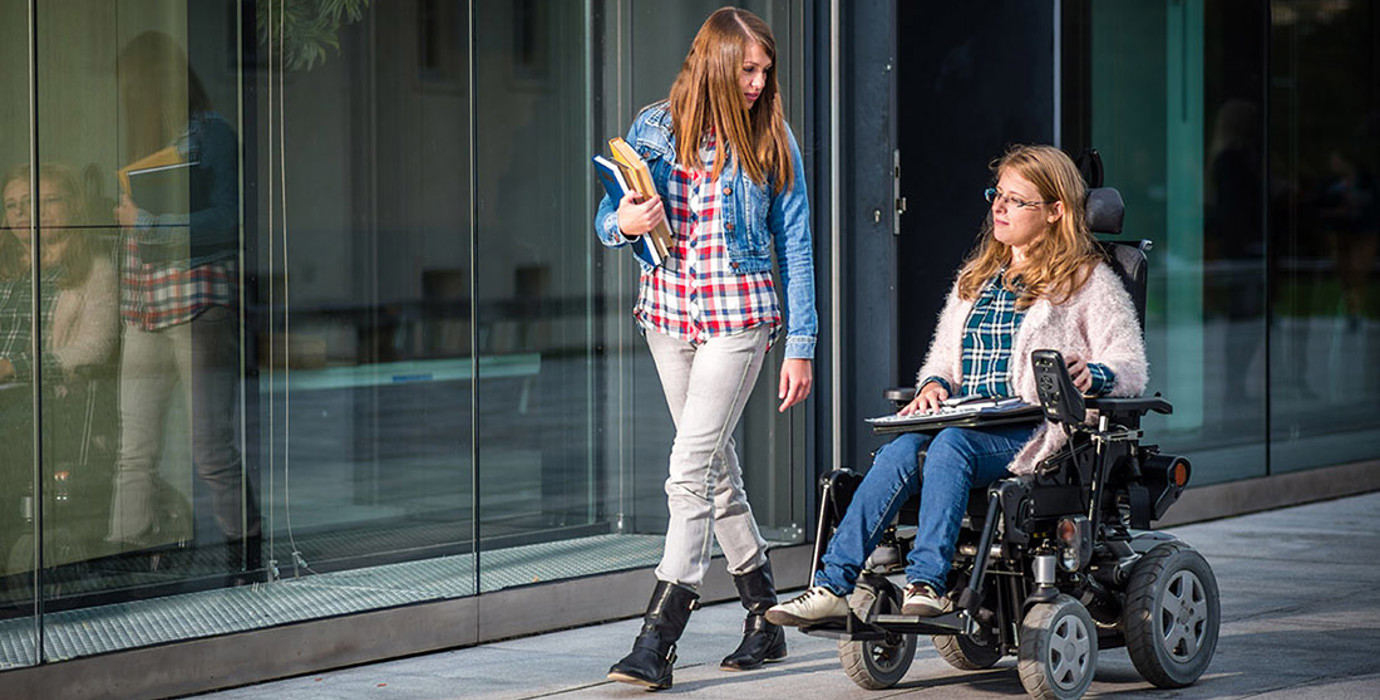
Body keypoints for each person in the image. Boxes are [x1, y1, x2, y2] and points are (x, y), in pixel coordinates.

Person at [766, 144, 1147, 626]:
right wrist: (932, 384)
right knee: (901, 452)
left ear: (1055, 211)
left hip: (1035, 431)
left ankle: (927, 583)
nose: (999, 208)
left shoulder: (1087, 281)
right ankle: (831, 586)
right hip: (969, 418)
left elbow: (1130, 364)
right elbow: (943, 360)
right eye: (997, 195)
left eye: (1016, 200)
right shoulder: (979, 277)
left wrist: (1095, 374)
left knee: (949, 446)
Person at [593, 7, 816, 691]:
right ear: (715, 63)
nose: (758, 82)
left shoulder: (770, 137)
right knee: (716, 473)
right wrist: (625, 220)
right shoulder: (653, 127)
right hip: (667, 317)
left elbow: (796, 244)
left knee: (688, 469)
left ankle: (658, 638)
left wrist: (801, 344)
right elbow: (607, 218)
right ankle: (764, 617)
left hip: (738, 321)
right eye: (747, 69)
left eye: (765, 71)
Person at [106, 31, 259, 581]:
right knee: (133, 450)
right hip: (144, 310)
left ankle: (246, 557)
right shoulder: (142, 141)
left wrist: (147, 222)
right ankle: (123, 562)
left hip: (197, 304)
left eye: (133, 87)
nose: (128, 98)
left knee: (210, 448)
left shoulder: (210, 134)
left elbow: (228, 220)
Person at [0, 163, 119, 561]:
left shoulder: (93, 270)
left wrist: (15, 366)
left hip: (48, 399)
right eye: (12, 205)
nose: (24, 213)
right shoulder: (6, 267)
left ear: (75, 207)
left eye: (40, 202)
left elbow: (94, 348)